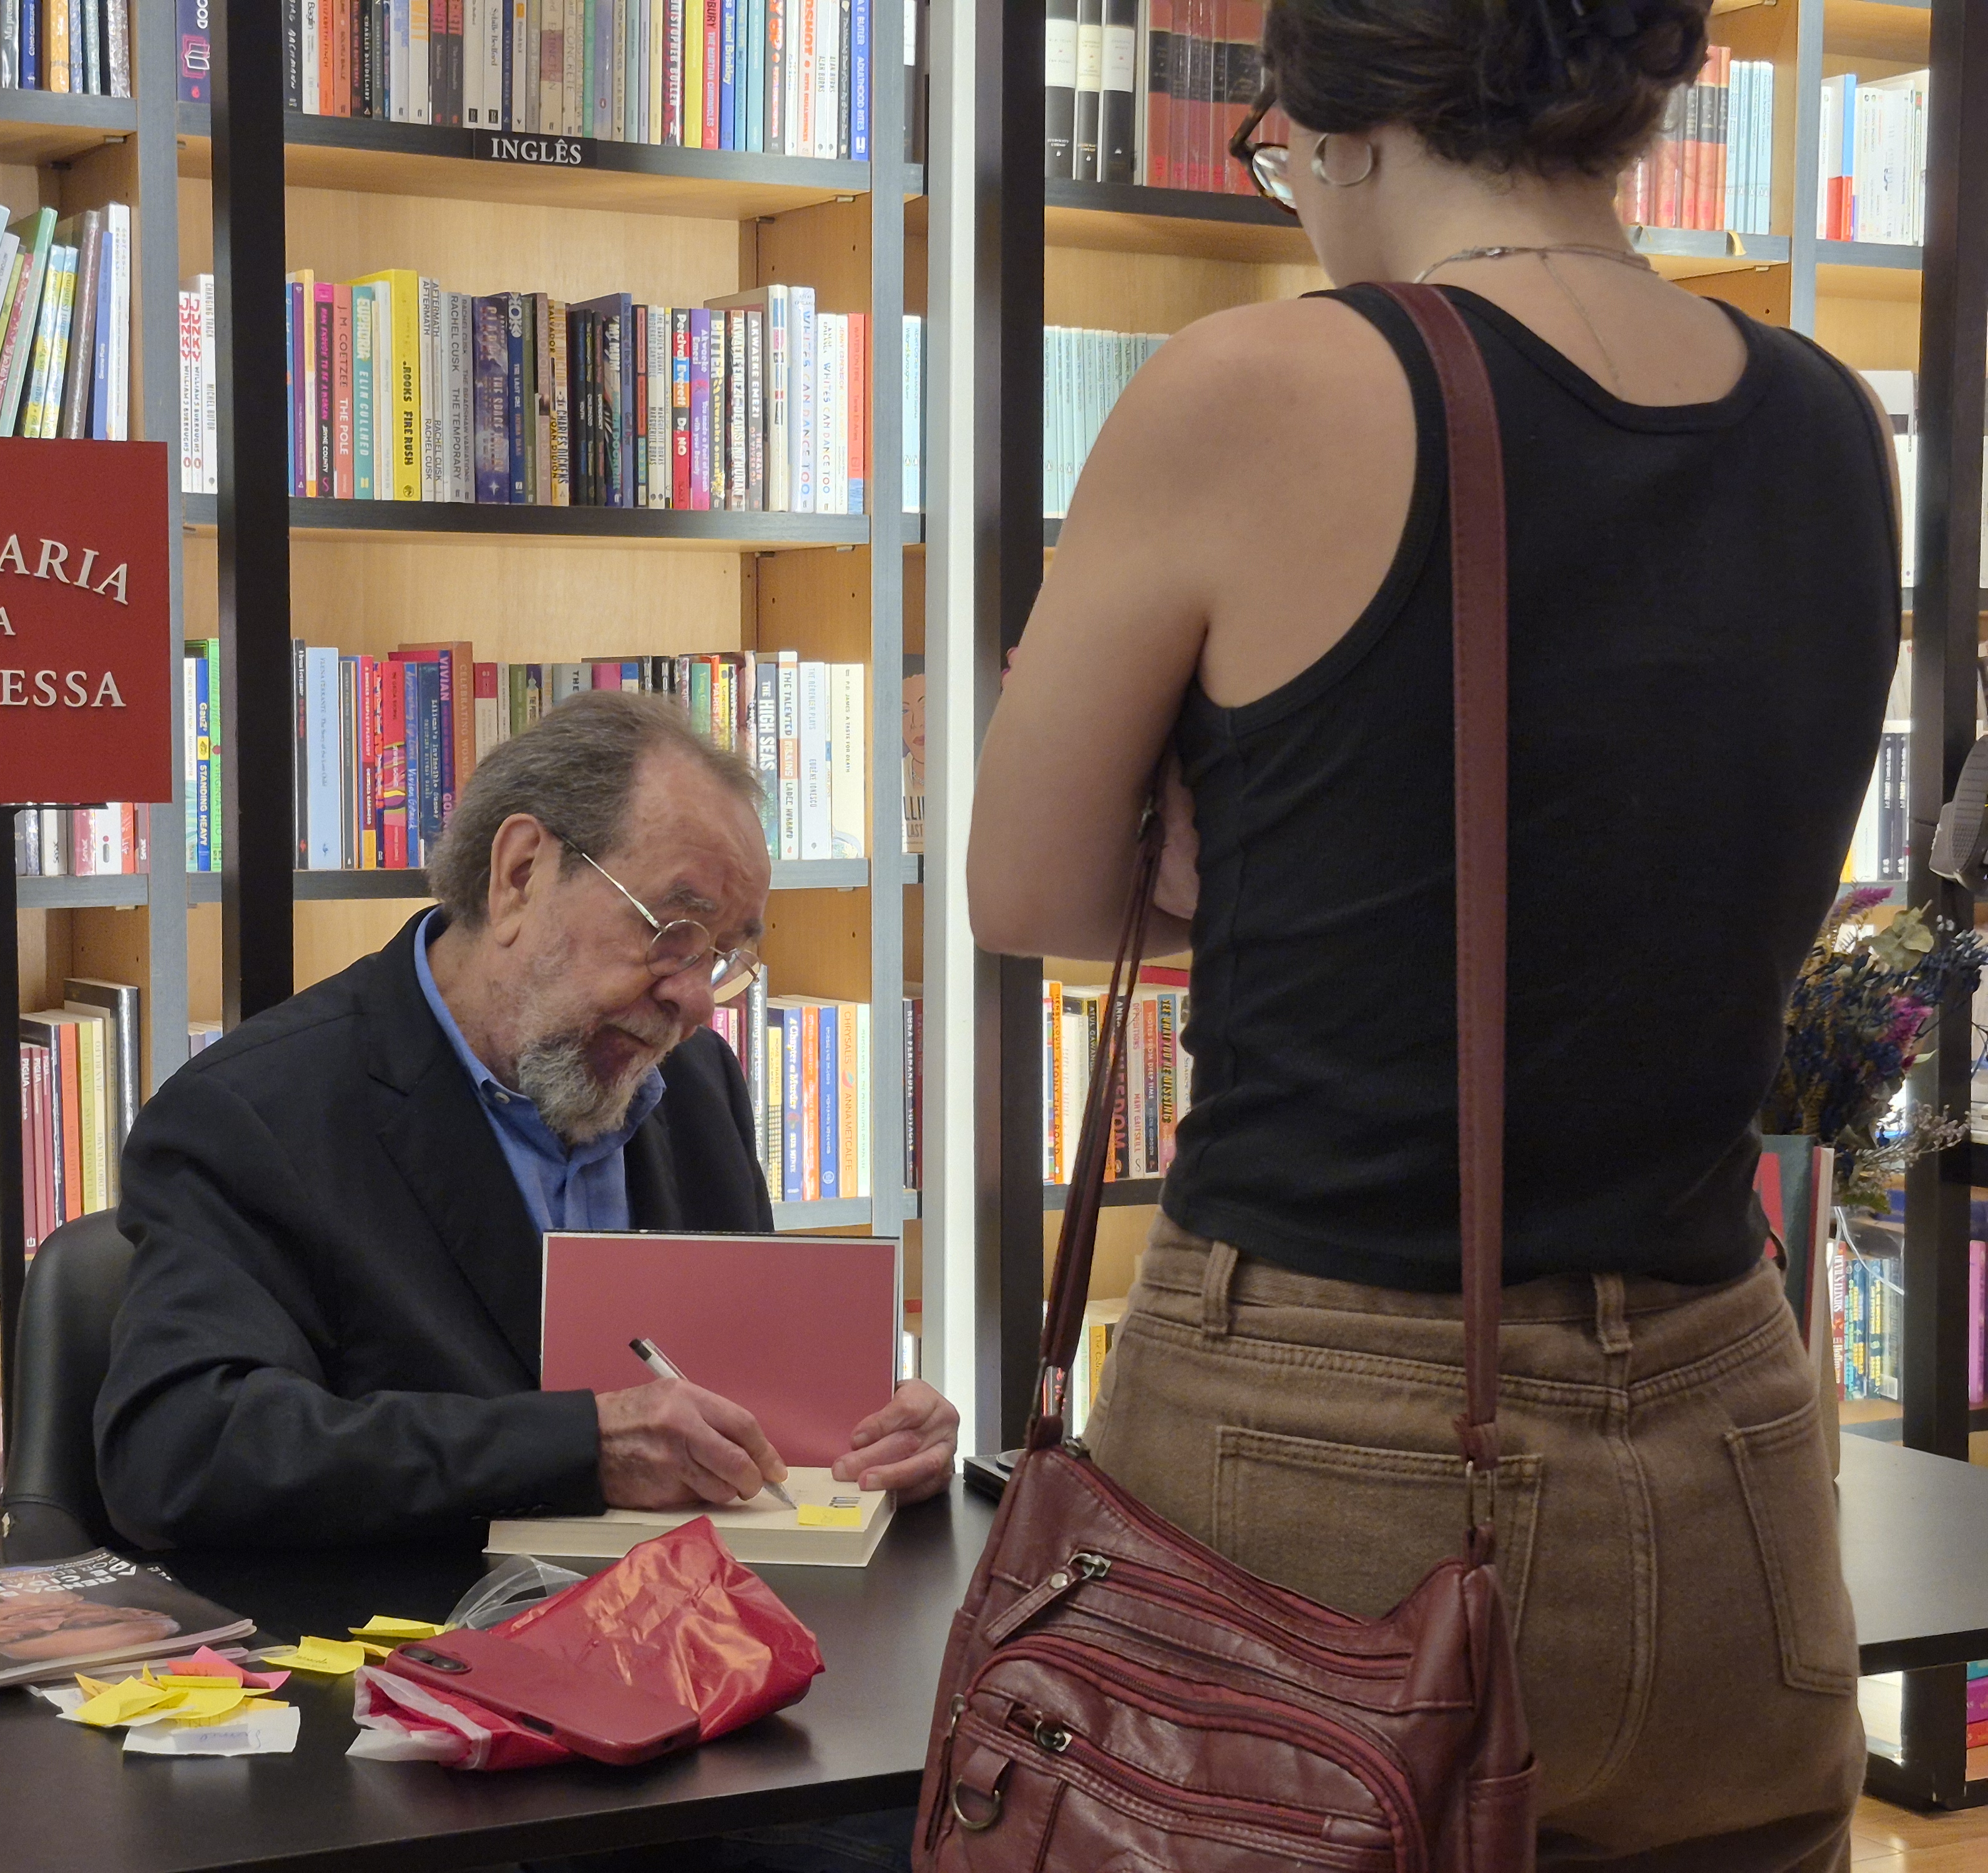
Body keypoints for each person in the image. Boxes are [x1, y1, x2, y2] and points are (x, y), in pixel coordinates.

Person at [965, 0, 1894, 1866]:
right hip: (1737, 1444)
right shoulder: (1829, 424)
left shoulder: (1262, 390)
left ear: (1336, 116)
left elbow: (1037, 888)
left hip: (1322, 1437)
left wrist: (1235, 817)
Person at [97, 691, 958, 1551]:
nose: (696, 1001)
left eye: (726, 957)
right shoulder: (257, 1112)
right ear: (519, 876)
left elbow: (736, 1391)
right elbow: (182, 1451)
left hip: (697, 1642)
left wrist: (872, 1438)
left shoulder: (696, 1088)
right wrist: (574, 1448)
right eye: (672, 932)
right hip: (413, 1650)